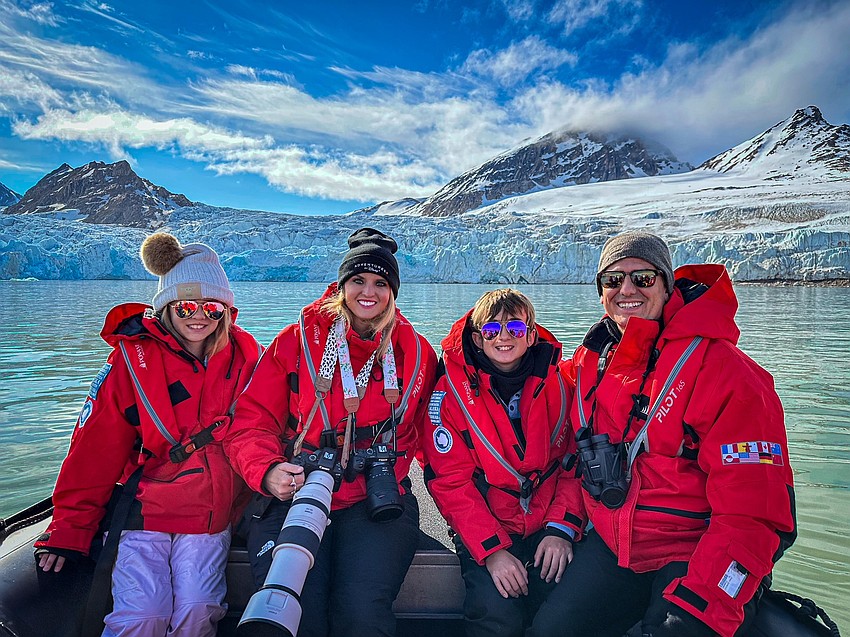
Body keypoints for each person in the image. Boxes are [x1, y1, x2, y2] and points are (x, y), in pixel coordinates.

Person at [535, 231, 796, 637]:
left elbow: (754, 509)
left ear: (667, 283)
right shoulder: (594, 362)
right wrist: (563, 524)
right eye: (612, 280)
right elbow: (574, 454)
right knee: (549, 630)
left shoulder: (726, 371)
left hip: (694, 552)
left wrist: (706, 600)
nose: (626, 290)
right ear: (600, 291)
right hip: (616, 546)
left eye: (642, 277)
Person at [34, 233, 262, 636]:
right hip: (145, 510)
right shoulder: (131, 360)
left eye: (212, 306)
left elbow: (262, 428)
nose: (199, 316)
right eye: (186, 306)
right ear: (166, 307)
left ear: (226, 310)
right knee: (142, 616)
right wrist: (70, 529)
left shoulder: (247, 356)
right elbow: (94, 449)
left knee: (197, 610)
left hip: (211, 513)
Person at [224, 227, 437, 637]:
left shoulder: (416, 352)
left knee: (362, 614)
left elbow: (437, 434)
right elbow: (250, 420)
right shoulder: (298, 340)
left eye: (380, 282)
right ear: (342, 286)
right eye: (358, 280)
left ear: (393, 291)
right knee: (299, 612)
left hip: (375, 500)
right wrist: (266, 471)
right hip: (297, 490)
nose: (368, 292)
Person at [423, 288, 584, 637]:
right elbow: (451, 483)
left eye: (514, 327)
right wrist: (493, 552)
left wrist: (562, 529)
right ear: (479, 339)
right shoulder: (448, 396)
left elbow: (574, 465)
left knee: (567, 612)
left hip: (547, 525)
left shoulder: (561, 384)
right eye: (492, 330)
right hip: (487, 526)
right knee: (496, 616)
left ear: (531, 334)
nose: (504, 337)